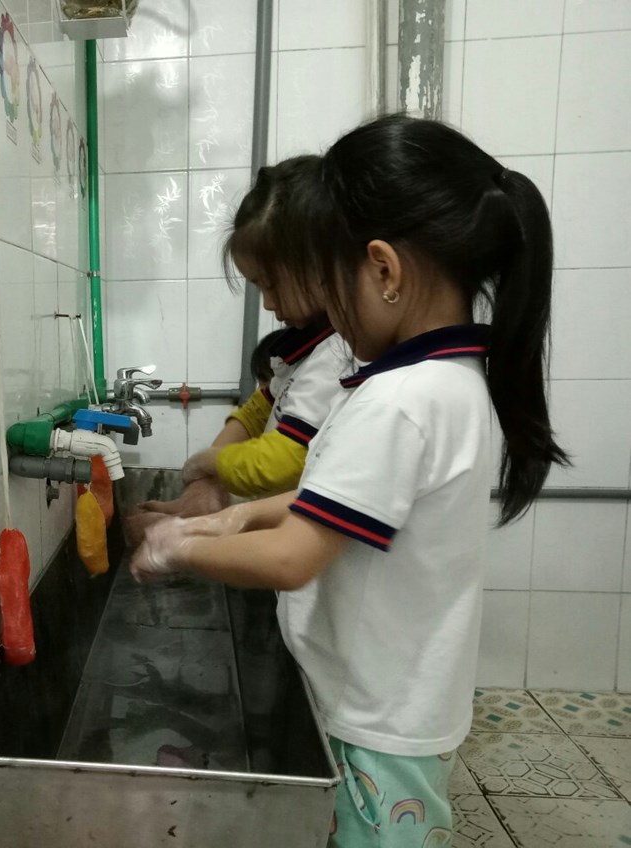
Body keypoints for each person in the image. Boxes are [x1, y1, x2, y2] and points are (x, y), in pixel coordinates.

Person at [130, 116, 567, 847]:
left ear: (384, 271)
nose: (327, 315)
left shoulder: (399, 402)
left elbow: (292, 558)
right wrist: (231, 518)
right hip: (402, 700)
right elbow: (342, 501)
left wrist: (176, 546)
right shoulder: (445, 381)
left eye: (331, 286)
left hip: (377, 720)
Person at [125, 158, 352, 544]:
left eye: (271, 285)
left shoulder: (337, 355)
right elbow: (257, 411)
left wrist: (208, 463)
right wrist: (203, 490)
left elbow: (282, 461)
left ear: (320, 264)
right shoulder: (305, 352)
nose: (268, 304)